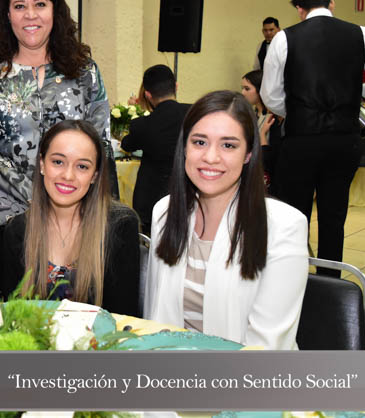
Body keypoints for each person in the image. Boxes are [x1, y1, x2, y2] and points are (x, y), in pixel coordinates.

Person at [0, 0, 116, 292]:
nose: (30, 15)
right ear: (7, 15)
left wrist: (67, 196)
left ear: (55, 11)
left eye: (40, 4)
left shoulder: (84, 69)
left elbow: (99, 142)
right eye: (19, 6)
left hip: (76, 218)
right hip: (4, 220)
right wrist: (38, 197)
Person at [144, 90, 308, 350]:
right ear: (184, 147)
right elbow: (156, 316)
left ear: (248, 154)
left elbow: (266, 347)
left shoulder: (283, 226)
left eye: (228, 145)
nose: (211, 157)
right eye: (199, 142)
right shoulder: (165, 212)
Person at [261, 0, 365, 276]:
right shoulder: (361, 34)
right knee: (333, 217)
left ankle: (292, 280)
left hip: (302, 140)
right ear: (332, 4)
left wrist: (297, 110)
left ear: (300, 9)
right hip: (345, 140)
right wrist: (360, 92)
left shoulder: (284, 39)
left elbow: (270, 95)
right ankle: (330, 282)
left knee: (294, 216)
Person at [1, 120, 139, 315]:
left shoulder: (120, 225)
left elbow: (125, 318)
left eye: (82, 166)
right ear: (42, 164)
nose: (68, 175)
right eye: (58, 162)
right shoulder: (18, 230)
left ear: (95, 175)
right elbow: (10, 314)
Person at [120, 65, 190, 234]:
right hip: (187, 194)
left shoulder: (142, 125)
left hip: (151, 200)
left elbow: (126, 145)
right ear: (176, 86)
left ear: (147, 94)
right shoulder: (193, 114)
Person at [241, 70, 280, 193]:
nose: (243, 93)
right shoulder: (251, 115)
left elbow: (270, 158)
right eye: (242, 88)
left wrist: (262, 135)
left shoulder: (273, 118)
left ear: (260, 90)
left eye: (247, 89)